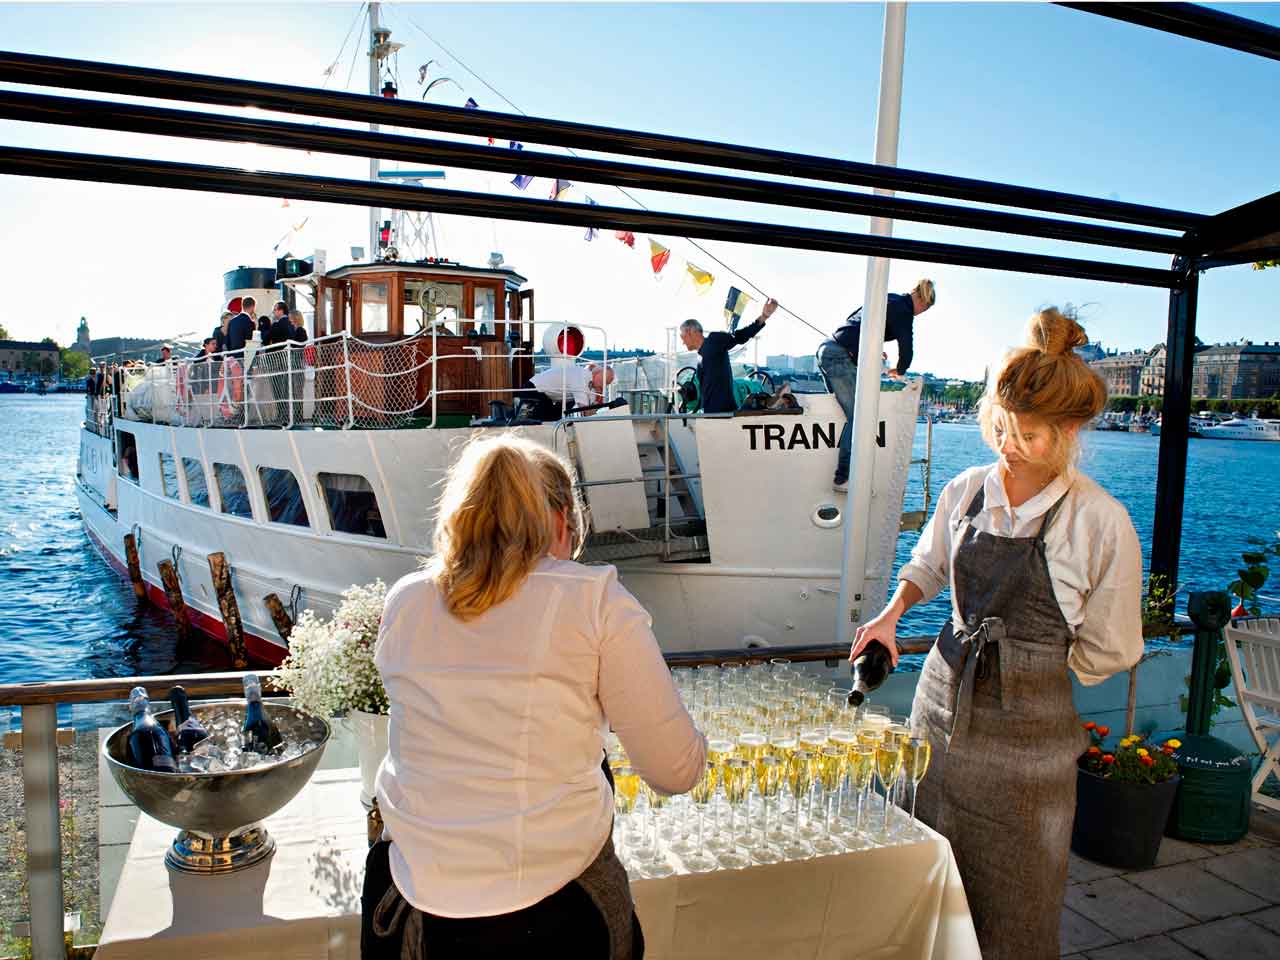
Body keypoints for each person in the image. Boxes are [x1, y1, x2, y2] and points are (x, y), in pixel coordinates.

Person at [848, 308, 1142, 960]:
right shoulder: (966, 489)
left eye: (1028, 434)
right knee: (921, 881)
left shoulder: (1099, 520)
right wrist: (892, 615)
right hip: (937, 717)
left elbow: (1114, 647)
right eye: (1001, 427)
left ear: (1069, 431)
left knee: (1015, 908)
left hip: (1026, 756)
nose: (1007, 444)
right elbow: (926, 565)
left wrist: (1035, 662)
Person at [365, 435, 704, 959]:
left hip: (419, 913)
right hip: (554, 917)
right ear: (560, 520)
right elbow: (674, 771)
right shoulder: (594, 600)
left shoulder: (407, 599)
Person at [819, 278, 936, 492]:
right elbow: (906, 348)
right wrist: (899, 370)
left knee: (840, 411)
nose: (920, 314)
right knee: (859, 416)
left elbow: (853, 319)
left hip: (827, 349)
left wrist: (871, 346)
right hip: (840, 357)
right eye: (924, 310)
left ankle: (837, 468)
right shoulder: (905, 310)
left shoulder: (889, 298)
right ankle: (842, 477)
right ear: (923, 302)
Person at [678, 298, 777, 414]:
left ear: (690, 331)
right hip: (710, 415)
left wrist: (763, 316)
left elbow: (740, 336)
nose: (683, 342)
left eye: (682, 337)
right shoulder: (700, 359)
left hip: (724, 413)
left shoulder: (714, 340)